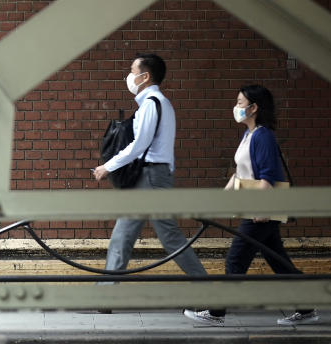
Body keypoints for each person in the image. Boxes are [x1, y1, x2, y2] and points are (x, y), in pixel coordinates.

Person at [183, 85, 318, 327]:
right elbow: (240, 175)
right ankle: (307, 307)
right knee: (279, 262)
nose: (236, 107)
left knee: (235, 261)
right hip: (256, 210)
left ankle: (216, 312)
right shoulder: (249, 135)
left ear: (254, 107)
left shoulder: (263, 136)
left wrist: (261, 209)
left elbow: (266, 177)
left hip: (260, 213)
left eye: (240, 102)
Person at [91, 53, 209, 286]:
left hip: (151, 177)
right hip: (150, 177)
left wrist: (108, 166)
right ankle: (104, 293)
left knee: (169, 237)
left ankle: (209, 292)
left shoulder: (152, 103)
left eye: (133, 72)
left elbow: (140, 144)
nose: (130, 77)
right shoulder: (156, 103)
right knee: (123, 235)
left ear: (145, 76)